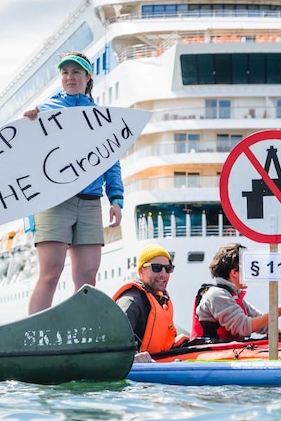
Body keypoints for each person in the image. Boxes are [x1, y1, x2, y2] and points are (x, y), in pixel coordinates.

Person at [23, 51, 124, 314]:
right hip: (55, 201)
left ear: (88, 76)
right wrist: (28, 124)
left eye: (76, 72)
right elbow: (23, 151)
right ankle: (33, 337)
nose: (70, 77)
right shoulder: (44, 110)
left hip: (91, 202)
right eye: (65, 72)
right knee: (50, 273)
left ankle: (82, 337)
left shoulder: (101, 116)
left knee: (87, 280)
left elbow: (111, 160)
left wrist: (116, 199)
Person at [190, 243, 281, 341]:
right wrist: (277, 312)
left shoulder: (233, 297)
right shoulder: (216, 295)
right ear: (234, 272)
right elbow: (243, 327)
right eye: (248, 268)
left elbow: (265, 326)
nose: (252, 272)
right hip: (210, 357)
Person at [113, 244, 189, 362]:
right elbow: (114, 339)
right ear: (141, 270)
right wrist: (132, 356)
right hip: (136, 369)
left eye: (168, 269)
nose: (163, 274)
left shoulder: (160, 299)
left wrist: (172, 344)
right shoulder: (131, 301)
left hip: (155, 361)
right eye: (157, 268)